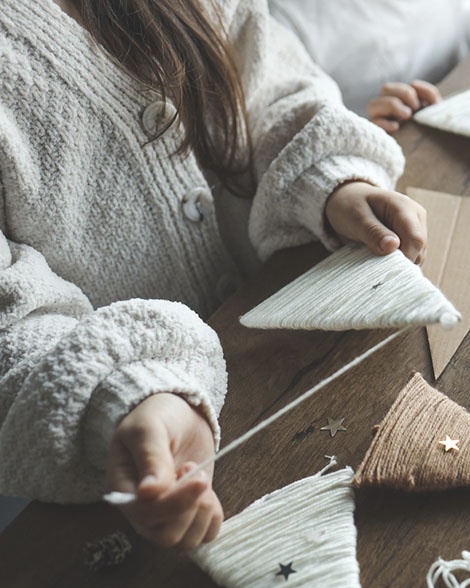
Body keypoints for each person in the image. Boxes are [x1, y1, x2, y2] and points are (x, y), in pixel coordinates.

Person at [0, 0, 427, 550]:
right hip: (142, 479)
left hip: (294, 352)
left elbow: (271, 86)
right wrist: (123, 393)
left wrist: (334, 182)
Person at [268, 0, 470, 132]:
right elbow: (295, 135)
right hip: (393, 161)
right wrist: (368, 131)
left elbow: (454, 32)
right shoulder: (282, 22)